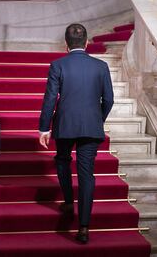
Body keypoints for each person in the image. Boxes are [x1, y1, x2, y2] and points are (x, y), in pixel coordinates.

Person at [38, 23, 114, 244]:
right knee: (86, 173)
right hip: (91, 127)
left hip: (65, 125)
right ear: (87, 42)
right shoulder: (101, 66)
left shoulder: (57, 65)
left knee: (62, 160)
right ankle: (83, 227)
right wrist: (97, 119)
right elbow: (108, 100)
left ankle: (69, 201)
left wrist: (44, 127)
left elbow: (50, 99)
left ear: (66, 44)